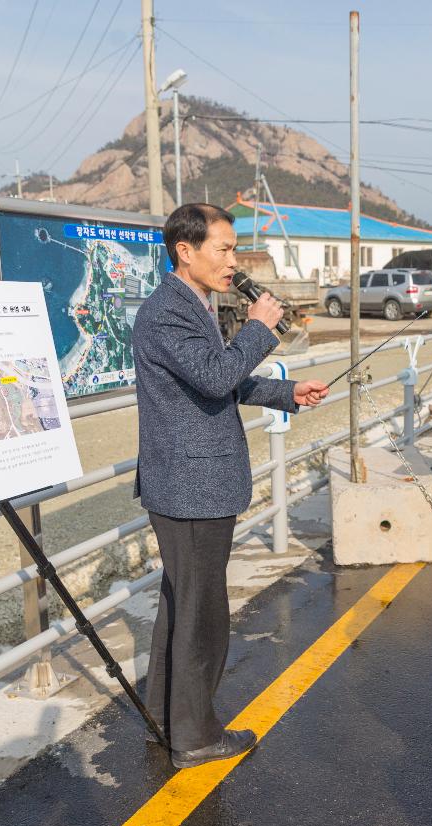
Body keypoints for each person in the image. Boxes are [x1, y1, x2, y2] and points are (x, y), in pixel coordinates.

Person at [133, 203, 328, 769]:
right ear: (185, 252)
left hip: (193, 481)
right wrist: (260, 326)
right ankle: (194, 738)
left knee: (182, 605)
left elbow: (223, 384)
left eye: (234, 248)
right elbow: (218, 374)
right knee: (202, 614)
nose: (232, 261)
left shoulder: (194, 305)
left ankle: (165, 720)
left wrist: (287, 394)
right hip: (190, 485)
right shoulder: (168, 312)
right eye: (222, 249)